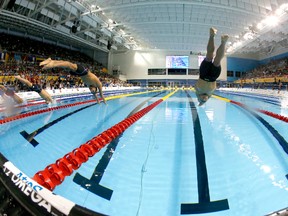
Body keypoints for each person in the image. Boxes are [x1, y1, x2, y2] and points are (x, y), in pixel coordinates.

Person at [39, 58, 106, 104]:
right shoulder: (98, 83)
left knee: (66, 65)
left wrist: (98, 102)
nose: (91, 90)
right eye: (93, 90)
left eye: (91, 91)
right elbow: (101, 94)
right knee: (68, 64)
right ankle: (52, 63)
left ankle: (51, 61)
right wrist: (105, 103)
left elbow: (95, 94)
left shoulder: (89, 86)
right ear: (96, 88)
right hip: (84, 71)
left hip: (78, 74)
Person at [195, 27, 229, 106]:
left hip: (203, 74)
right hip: (213, 77)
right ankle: (223, 42)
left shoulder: (197, 92)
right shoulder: (209, 95)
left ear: (199, 98)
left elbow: (200, 101)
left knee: (209, 56)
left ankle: (212, 35)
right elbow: (203, 101)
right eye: (204, 100)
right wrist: (202, 102)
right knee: (217, 61)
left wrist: (201, 103)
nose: (204, 99)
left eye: (202, 99)